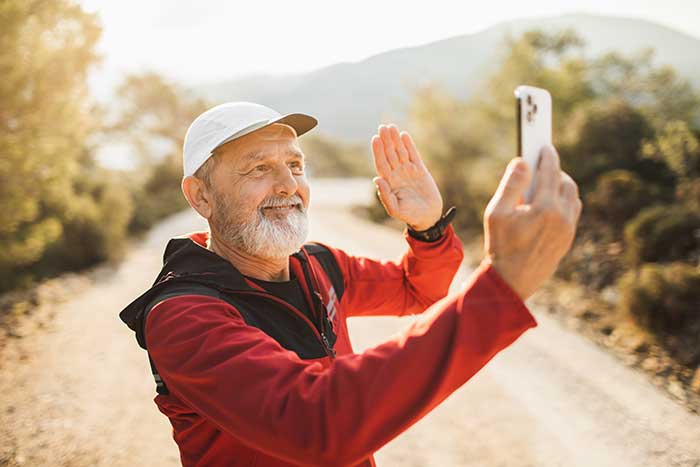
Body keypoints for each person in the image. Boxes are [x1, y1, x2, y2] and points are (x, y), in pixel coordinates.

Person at [120, 102, 581, 467]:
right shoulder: (183, 316)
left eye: (295, 165)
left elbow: (415, 288)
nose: (288, 185)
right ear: (200, 195)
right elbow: (318, 422)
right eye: (258, 168)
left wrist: (426, 228)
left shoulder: (317, 267)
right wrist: (501, 290)